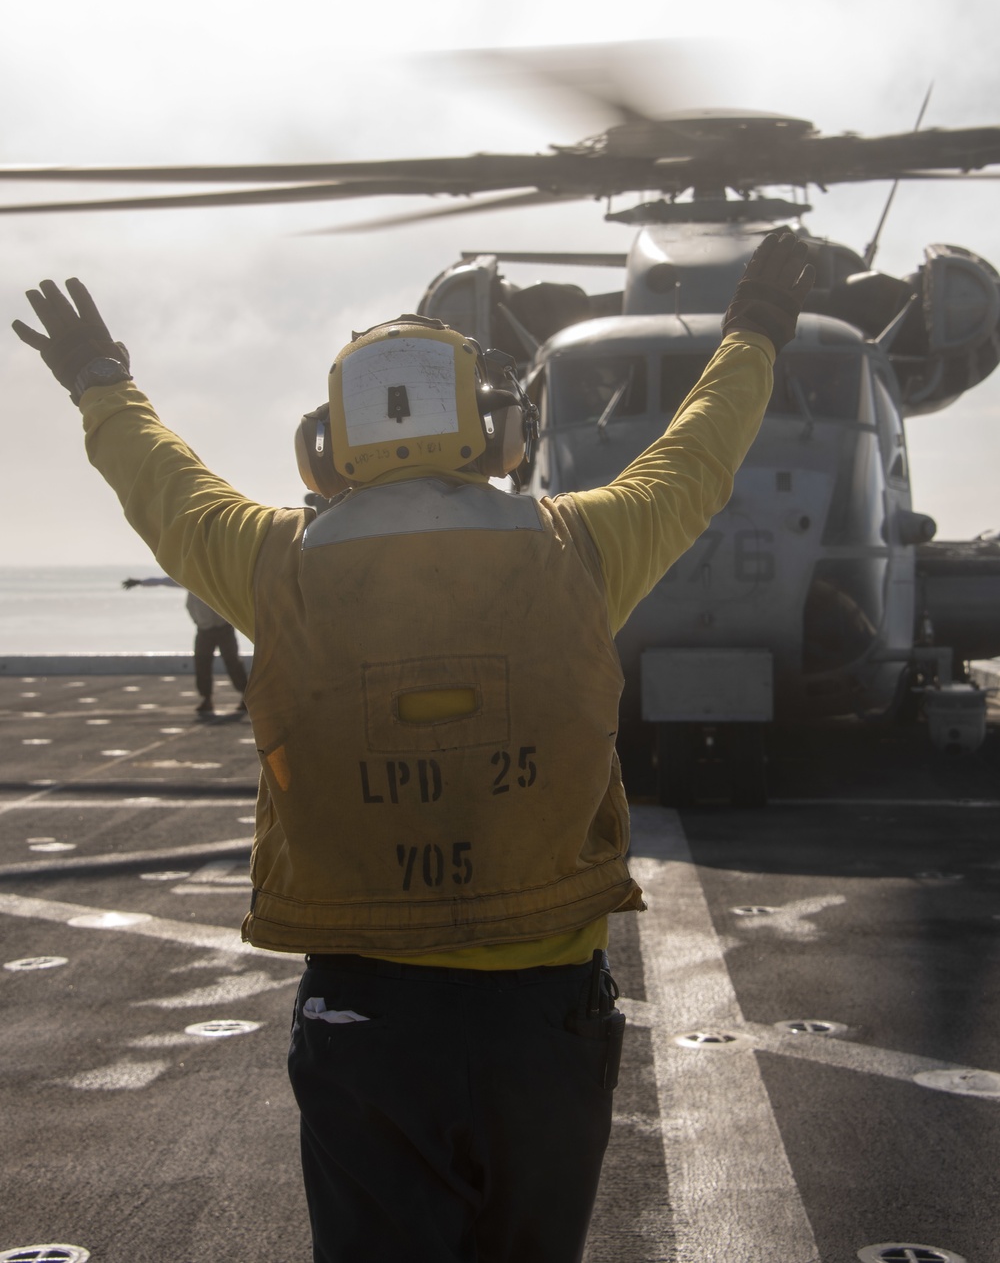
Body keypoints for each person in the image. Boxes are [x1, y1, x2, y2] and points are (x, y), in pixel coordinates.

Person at [12, 231, 813, 1263]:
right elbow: (697, 456)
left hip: (367, 1017)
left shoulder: (273, 567)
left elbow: (161, 484)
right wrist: (753, 329)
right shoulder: (582, 547)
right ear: (493, 433)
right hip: (543, 1019)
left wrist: (100, 381)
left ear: (326, 447)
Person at [121, 574, 249, 716]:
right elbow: (163, 581)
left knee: (233, 663)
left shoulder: (219, 578)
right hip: (204, 629)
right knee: (202, 663)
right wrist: (140, 582)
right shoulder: (191, 580)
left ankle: (246, 697)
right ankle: (207, 699)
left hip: (224, 628)